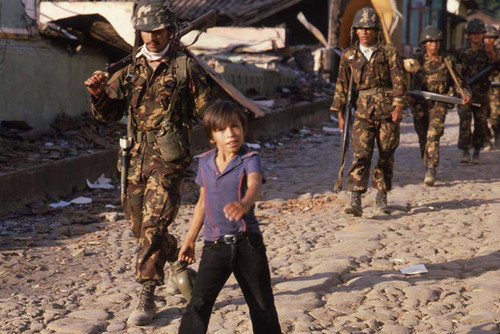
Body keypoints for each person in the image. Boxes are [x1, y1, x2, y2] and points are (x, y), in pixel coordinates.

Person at [84, 0, 211, 326]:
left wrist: (221, 151)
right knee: (141, 229)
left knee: (153, 225)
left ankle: (147, 293)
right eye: (146, 31)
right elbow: (108, 114)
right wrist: (98, 94)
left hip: (168, 159)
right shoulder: (129, 69)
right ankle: (175, 260)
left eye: (157, 31)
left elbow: (209, 114)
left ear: (169, 31)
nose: (151, 37)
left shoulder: (185, 68)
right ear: (138, 33)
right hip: (134, 158)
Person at [177, 100, 281, 334]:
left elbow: (254, 185)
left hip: (248, 245)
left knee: (262, 305)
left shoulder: (249, 158)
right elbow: (202, 203)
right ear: (212, 136)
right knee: (199, 304)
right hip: (215, 246)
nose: (231, 134)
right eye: (222, 129)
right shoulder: (204, 162)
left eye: (235, 126)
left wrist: (244, 203)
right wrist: (190, 240)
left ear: (243, 129)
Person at [330, 7, 406, 217]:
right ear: (355, 31)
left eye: (369, 28)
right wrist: (339, 113)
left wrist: (398, 106)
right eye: (361, 28)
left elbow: (399, 81)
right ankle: (356, 198)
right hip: (363, 112)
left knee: (386, 153)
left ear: (376, 31)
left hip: (387, 110)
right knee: (361, 154)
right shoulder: (349, 55)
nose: (364, 32)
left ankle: (382, 195)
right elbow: (342, 85)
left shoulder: (389, 52)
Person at [406, 26, 471, 186]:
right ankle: (427, 160)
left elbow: (458, 80)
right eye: (430, 42)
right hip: (420, 105)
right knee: (423, 138)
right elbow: (404, 80)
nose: (433, 45)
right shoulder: (416, 60)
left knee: (433, 135)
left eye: (436, 42)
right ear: (424, 43)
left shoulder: (447, 60)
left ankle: (431, 167)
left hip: (439, 104)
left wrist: (464, 93)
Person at [456, 18, 497, 163]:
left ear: (483, 34)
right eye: (473, 33)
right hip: (465, 94)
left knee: (480, 124)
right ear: (468, 35)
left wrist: (491, 52)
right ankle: (465, 151)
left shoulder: (488, 51)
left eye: (478, 33)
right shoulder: (462, 52)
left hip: (482, 94)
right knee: (464, 123)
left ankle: (477, 151)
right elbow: (456, 73)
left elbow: (496, 65)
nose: (476, 36)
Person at [483, 25, 500, 149]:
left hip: (495, 89)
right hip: (480, 89)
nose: (489, 40)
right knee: (481, 117)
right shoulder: (476, 52)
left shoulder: (497, 52)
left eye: (492, 38)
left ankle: (497, 135)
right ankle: (487, 138)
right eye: (487, 38)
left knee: (494, 116)